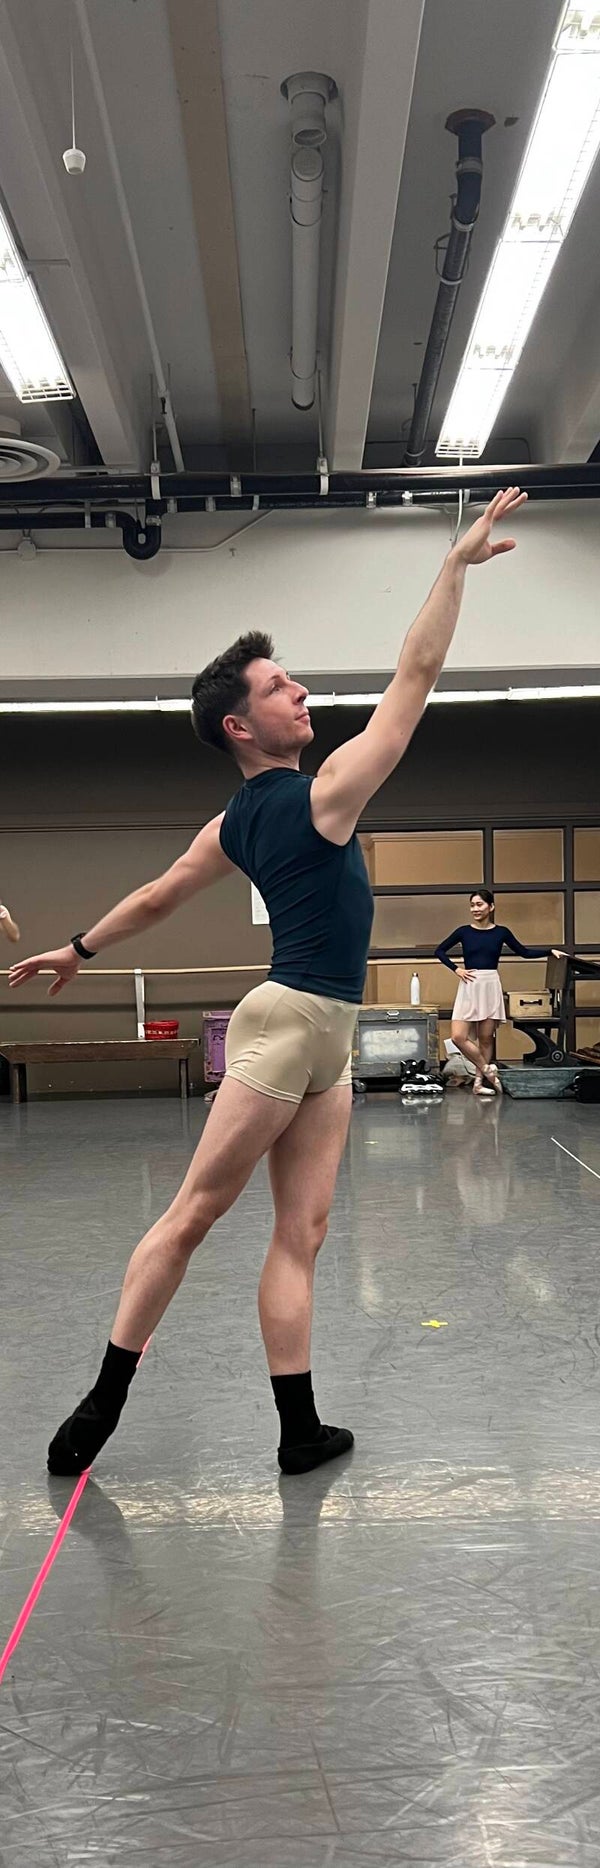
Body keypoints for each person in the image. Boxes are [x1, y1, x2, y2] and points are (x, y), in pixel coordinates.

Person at [9, 487, 527, 1479]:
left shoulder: (236, 821)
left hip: (327, 1036)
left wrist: (78, 947)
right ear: (240, 725)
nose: (300, 692)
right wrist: (451, 568)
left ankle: (300, 1428)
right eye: (280, 685)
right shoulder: (323, 797)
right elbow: (415, 675)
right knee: (194, 1213)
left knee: (305, 1231)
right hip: (286, 1022)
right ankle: (101, 1401)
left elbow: (158, 896)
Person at [435, 888, 560, 1096]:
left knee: (485, 1038)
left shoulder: (501, 932)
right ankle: (488, 1070)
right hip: (469, 984)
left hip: (490, 983)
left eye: (479, 904)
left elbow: (524, 952)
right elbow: (439, 951)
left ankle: (478, 1083)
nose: (475, 909)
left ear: (491, 907)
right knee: (458, 1036)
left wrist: (549, 951)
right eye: (472, 905)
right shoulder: (463, 931)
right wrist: (457, 969)